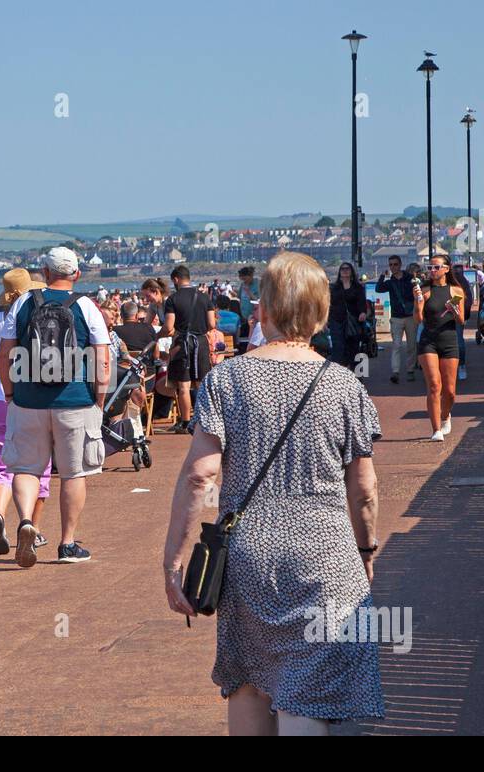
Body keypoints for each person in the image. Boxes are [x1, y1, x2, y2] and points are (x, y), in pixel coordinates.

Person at [162, 250, 384, 734]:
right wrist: (366, 549)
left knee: (249, 683)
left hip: (249, 559)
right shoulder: (343, 385)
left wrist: (174, 560)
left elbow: (200, 476)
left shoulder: (227, 379)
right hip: (324, 557)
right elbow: (363, 488)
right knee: (304, 691)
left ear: (261, 308)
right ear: (321, 313)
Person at [0, 246, 111, 567]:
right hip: (75, 401)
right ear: (76, 274)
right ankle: (67, 544)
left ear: (44, 273)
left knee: (27, 468)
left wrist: (9, 394)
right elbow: (102, 359)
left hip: (27, 401)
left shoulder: (23, 303)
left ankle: (25, 522)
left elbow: (4, 354)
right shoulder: (86, 307)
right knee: (74, 473)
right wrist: (98, 400)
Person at [0, 269, 53, 556]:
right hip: (32, 398)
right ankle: (32, 527)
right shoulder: (37, 318)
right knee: (39, 465)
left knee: (2, 463)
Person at [414, 254, 467, 442]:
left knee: (450, 392)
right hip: (428, 341)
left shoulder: (456, 290)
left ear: (446, 269)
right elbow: (418, 319)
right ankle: (436, 429)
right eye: (430, 267)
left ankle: (446, 416)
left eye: (436, 267)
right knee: (434, 385)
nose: (432, 271)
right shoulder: (425, 290)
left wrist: (455, 311)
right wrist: (418, 303)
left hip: (449, 340)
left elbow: (461, 321)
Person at [163, 265, 216, 434]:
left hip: (182, 343)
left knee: (184, 387)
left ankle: (186, 422)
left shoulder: (172, 299)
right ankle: (203, 420)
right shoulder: (203, 297)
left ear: (176, 279)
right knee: (201, 384)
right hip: (200, 342)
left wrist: (159, 336)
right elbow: (212, 324)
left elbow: (169, 326)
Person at [374, 255, 417, 382]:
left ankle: (410, 369)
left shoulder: (410, 279)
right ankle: (395, 372)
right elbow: (378, 289)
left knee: (411, 345)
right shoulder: (390, 282)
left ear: (400, 264)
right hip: (396, 317)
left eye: (395, 264)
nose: (393, 267)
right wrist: (382, 276)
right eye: (391, 265)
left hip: (410, 317)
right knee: (396, 345)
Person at [328, 262, 368, 371]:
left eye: (347, 269)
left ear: (351, 272)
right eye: (342, 269)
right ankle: (338, 374)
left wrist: (362, 313)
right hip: (337, 321)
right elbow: (328, 304)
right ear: (339, 272)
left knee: (354, 348)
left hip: (353, 322)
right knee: (338, 348)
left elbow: (362, 303)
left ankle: (356, 376)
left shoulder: (357, 287)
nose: (345, 271)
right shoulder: (334, 287)